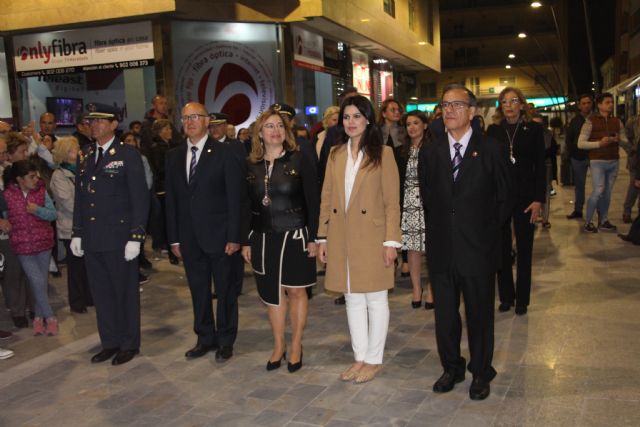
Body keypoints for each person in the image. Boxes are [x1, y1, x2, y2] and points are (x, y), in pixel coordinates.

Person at [418, 84, 511, 400]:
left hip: (478, 249)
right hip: (443, 249)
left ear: (473, 111)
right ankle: (452, 368)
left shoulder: (492, 149)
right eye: (445, 105)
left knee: (479, 315)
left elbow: (504, 199)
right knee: (444, 315)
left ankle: (481, 372)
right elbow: (427, 198)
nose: (450, 110)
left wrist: (485, 234)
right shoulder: (430, 152)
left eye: (458, 105)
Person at [318, 95, 401, 384]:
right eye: (346, 117)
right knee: (352, 297)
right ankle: (359, 357)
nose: (350, 122)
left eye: (356, 116)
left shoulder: (384, 154)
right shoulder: (335, 153)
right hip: (342, 235)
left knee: (376, 299)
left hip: (373, 236)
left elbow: (392, 202)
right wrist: (322, 237)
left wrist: (391, 241)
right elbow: (326, 197)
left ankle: (374, 359)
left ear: (367, 119)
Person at [165, 102, 245, 362]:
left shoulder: (225, 153)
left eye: (196, 117)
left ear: (207, 121)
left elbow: (236, 198)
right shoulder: (174, 156)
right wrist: (174, 238)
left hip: (221, 237)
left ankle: (225, 339)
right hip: (189, 239)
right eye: (186, 117)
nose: (190, 122)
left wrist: (235, 236)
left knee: (225, 291)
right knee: (198, 290)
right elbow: (173, 202)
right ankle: (204, 337)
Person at [71, 104, 150, 365]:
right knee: (102, 293)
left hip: (119, 238)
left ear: (114, 124)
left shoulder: (127, 155)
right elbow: (81, 198)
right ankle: (110, 341)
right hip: (94, 238)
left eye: (100, 121)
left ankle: (129, 343)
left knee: (124, 292)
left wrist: (136, 237)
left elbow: (140, 199)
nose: (94, 125)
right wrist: (77, 232)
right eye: (91, 121)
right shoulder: (85, 155)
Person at [242, 107, 318, 372]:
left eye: (279, 126)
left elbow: (313, 201)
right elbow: (245, 205)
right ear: (259, 134)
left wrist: (314, 237)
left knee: (296, 291)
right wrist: (245, 240)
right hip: (263, 238)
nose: (275, 131)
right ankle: (279, 345)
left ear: (286, 132)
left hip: (296, 235)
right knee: (272, 296)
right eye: (269, 127)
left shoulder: (299, 159)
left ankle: (296, 344)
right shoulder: (250, 164)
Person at [487, 87, 545, 316]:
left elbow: (541, 166)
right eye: (504, 101)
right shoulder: (494, 130)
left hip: (526, 197)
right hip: (500, 197)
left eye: (513, 101)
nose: (509, 105)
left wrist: (539, 199)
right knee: (501, 249)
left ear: (522, 104)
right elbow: (488, 167)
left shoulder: (534, 130)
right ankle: (506, 296)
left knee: (524, 248)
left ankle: (522, 299)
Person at [3, 160, 58, 336]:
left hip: (43, 243)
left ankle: (37, 318)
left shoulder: (42, 192)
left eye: (36, 175)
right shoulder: (7, 195)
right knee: (37, 281)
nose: (36, 179)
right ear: (19, 179)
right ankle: (50, 317)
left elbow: (53, 214)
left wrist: (38, 211)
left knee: (40, 282)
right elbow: (5, 218)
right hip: (22, 245)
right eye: (31, 176)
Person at [50, 137, 93, 313]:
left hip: (89, 224)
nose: (79, 152)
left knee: (89, 265)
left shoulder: (85, 171)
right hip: (71, 227)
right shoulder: (59, 175)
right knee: (75, 266)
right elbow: (67, 202)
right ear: (65, 153)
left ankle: (90, 297)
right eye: (74, 149)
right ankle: (77, 302)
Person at [396, 111, 434, 309]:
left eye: (416, 123)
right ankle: (416, 288)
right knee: (412, 248)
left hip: (429, 203)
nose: (411, 127)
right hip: (408, 204)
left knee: (432, 248)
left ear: (425, 125)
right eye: (408, 124)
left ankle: (432, 290)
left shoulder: (435, 148)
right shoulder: (401, 151)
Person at [578, 93, 629, 233]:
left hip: (613, 160)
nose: (611, 104)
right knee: (598, 191)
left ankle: (604, 220)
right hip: (598, 161)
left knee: (607, 193)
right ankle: (588, 221)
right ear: (599, 105)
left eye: (612, 102)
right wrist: (599, 143)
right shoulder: (590, 121)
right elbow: (580, 144)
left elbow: (626, 142)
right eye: (607, 102)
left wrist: (619, 140)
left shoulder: (617, 121)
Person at [0, 133, 32, 329]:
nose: (4, 156)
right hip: (3, 230)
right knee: (11, 273)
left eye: (4, 152)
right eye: (2, 153)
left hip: (12, 229)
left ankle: (21, 307)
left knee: (17, 270)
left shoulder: (8, 172)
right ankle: (16, 309)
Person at [121, 131, 154, 283]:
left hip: (138, 202)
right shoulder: (118, 159)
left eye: (133, 140)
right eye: (127, 140)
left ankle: (138, 263)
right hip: (124, 205)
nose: (131, 143)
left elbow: (147, 179)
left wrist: (139, 195)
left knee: (138, 236)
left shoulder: (142, 158)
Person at [147, 119, 177, 264]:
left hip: (168, 185)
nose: (170, 131)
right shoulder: (157, 148)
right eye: (167, 129)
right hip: (162, 188)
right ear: (160, 131)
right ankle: (166, 244)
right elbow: (159, 168)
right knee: (165, 218)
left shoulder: (168, 145)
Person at [565, 94, 593, 219]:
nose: (586, 105)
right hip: (578, 157)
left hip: (594, 156)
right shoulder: (575, 121)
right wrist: (572, 154)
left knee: (598, 186)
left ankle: (598, 212)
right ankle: (578, 210)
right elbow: (569, 139)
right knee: (579, 185)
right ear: (579, 106)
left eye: (588, 102)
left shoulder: (596, 119)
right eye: (583, 103)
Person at [532, 113, 559, 229]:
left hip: (545, 165)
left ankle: (545, 219)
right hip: (531, 167)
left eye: (539, 123)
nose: (537, 126)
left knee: (546, 192)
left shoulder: (547, 134)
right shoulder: (526, 134)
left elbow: (550, 150)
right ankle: (534, 217)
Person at [622, 112, 639, 223]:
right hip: (636, 159)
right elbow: (625, 139)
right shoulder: (633, 121)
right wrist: (632, 150)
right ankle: (627, 212)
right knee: (634, 185)